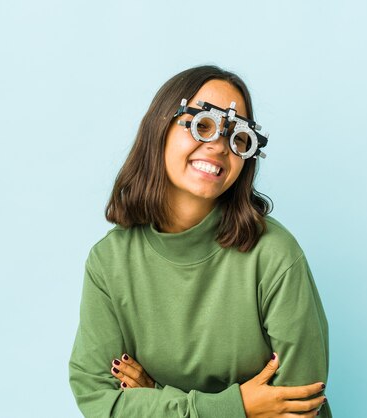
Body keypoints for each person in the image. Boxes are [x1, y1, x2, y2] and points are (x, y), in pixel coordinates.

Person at [68, 65, 332, 417]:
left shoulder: (274, 255)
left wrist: (157, 397)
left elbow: (299, 406)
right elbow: (99, 401)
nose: (220, 146)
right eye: (202, 124)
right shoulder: (109, 262)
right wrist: (235, 407)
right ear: (160, 127)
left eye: (237, 137)